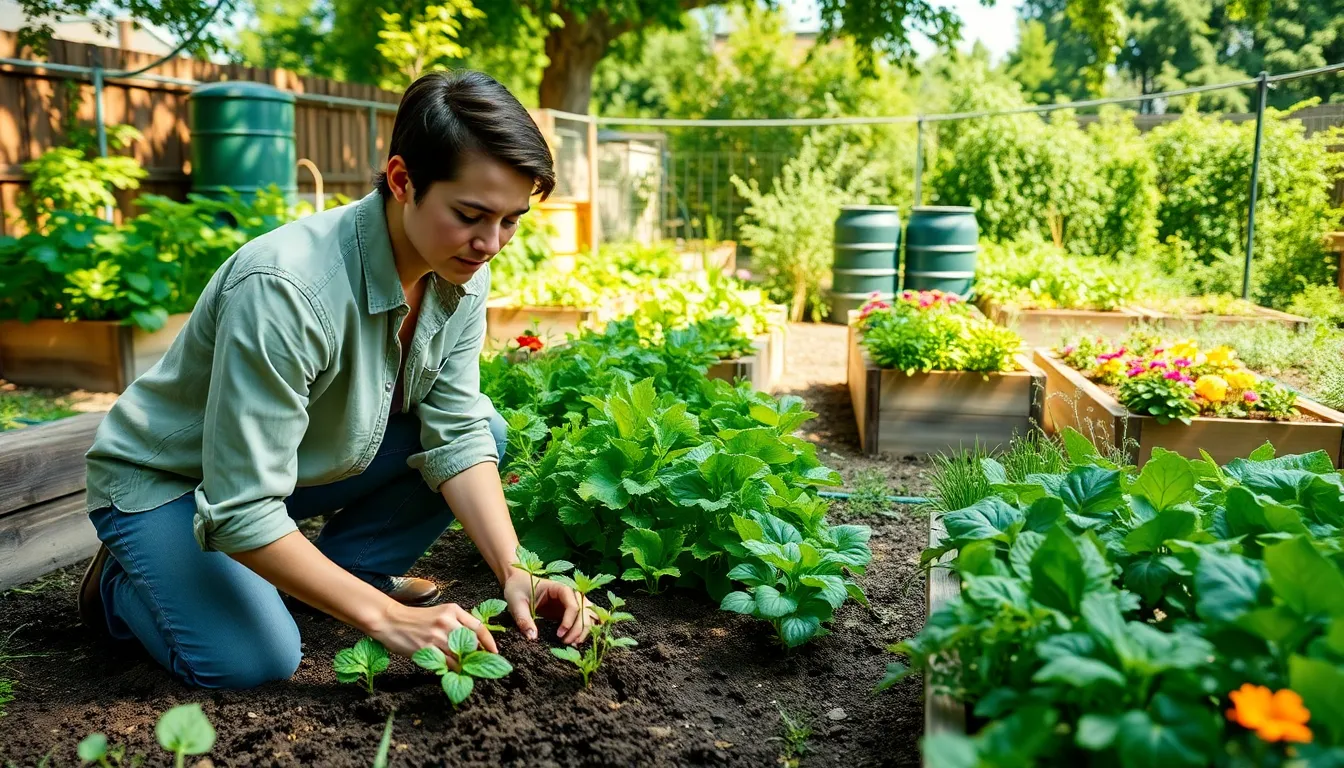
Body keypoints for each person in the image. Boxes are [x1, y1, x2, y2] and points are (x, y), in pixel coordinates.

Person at [77, 70, 590, 690]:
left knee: (487, 429)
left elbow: (457, 431)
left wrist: (517, 571)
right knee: (254, 660)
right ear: (402, 180)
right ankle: (123, 583)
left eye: (511, 220)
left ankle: (334, 578)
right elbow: (240, 506)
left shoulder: (457, 267)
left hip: (281, 467)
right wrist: (389, 619)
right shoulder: (286, 289)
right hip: (175, 483)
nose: (490, 243)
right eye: (470, 214)